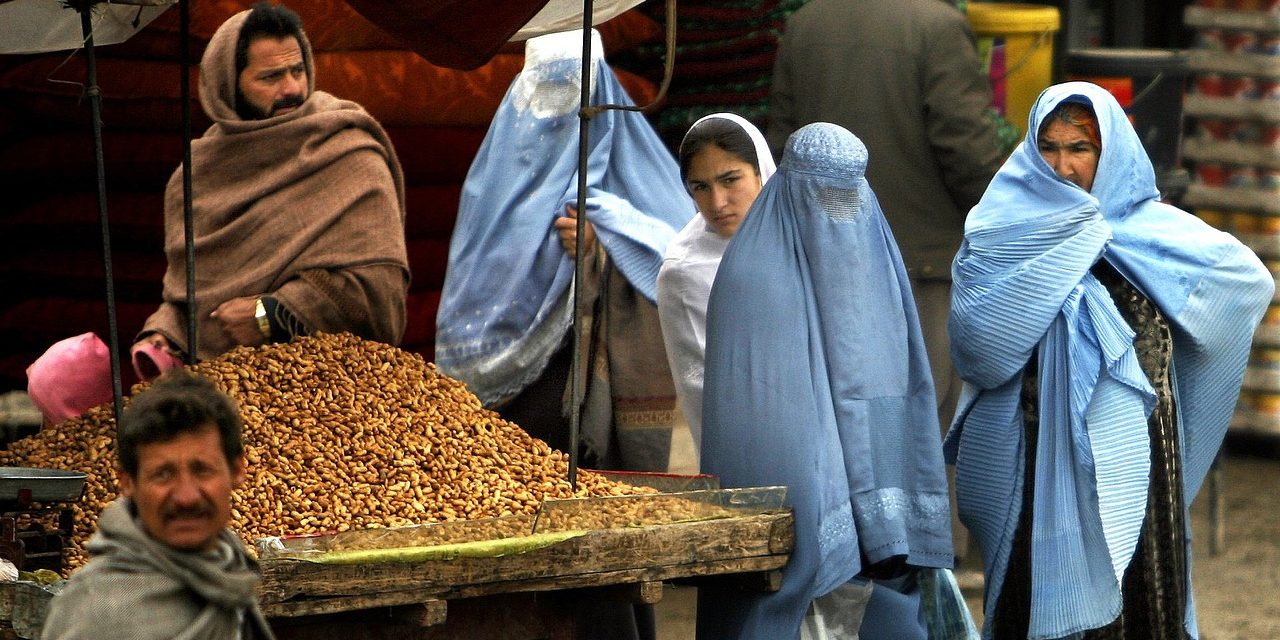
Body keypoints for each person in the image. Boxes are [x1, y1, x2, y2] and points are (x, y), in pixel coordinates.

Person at [947, 82, 1272, 638]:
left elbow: (1242, 282)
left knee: (1139, 598)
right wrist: (1071, 251)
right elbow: (980, 345)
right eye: (1048, 147)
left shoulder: (1149, 229)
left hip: (1137, 456)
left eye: (1081, 148)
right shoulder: (1002, 226)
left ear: (1110, 151)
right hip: (1037, 452)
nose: (1064, 165)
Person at [26, 2, 410, 426]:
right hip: (219, 407)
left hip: (335, 402)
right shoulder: (198, 174)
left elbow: (379, 295)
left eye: (297, 70)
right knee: (60, 371)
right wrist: (164, 335)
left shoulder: (347, 151)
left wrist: (271, 314)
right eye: (270, 77)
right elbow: (190, 295)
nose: (291, 89)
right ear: (227, 84)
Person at [699, 122, 955, 640]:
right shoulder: (754, 276)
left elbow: (889, 387)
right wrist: (832, 504)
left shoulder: (874, 256)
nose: (837, 211)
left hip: (873, 531)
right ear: (790, 185)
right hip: (801, 502)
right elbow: (776, 423)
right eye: (822, 194)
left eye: (847, 193)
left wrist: (881, 505)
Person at [435, 28, 694, 475]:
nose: (557, 107)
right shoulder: (491, 187)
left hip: (590, 394)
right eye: (546, 89)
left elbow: (686, 264)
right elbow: (470, 282)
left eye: (572, 89)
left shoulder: (642, 173)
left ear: (601, 96)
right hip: (504, 416)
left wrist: (606, 248)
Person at [43, 371, 275, 639]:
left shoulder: (232, 570)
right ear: (128, 483)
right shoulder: (93, 612)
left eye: (202, 470)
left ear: (237, 470)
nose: (186, 497)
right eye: (163, 475)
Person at [655, 113, 776, 462]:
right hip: (748, 447)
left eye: (730, 180)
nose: (718, 202)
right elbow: (705, 388)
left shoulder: (800, 238)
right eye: (700, 187)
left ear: (761, 173)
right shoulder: (683, 271)